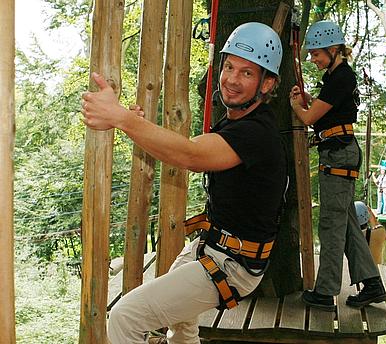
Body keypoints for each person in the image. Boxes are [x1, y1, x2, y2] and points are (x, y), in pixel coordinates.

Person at [81, 22, 287, 344]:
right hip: (214, 247)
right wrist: (133, 124)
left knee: (126, 317)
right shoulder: (239, 123)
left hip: (233, 264)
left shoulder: (256, 133)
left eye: (247, 73)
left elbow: (189, 155)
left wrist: (122, 118)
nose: (232, 79)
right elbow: (189, 147)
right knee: (182, 328)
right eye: (229, 66)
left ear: (267, 84)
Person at [289, 20, 386, 311]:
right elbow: (326, 109)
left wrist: (297, 105)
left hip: (338, 154)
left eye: (316, 53)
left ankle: (326, 291)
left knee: (332, 223)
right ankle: (371, 284)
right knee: (344, 224)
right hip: (339, 152)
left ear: (333, 49)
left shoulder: (342, 77)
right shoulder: (336, 78)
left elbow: (308, 118)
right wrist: (308, 99)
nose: (313, 59)